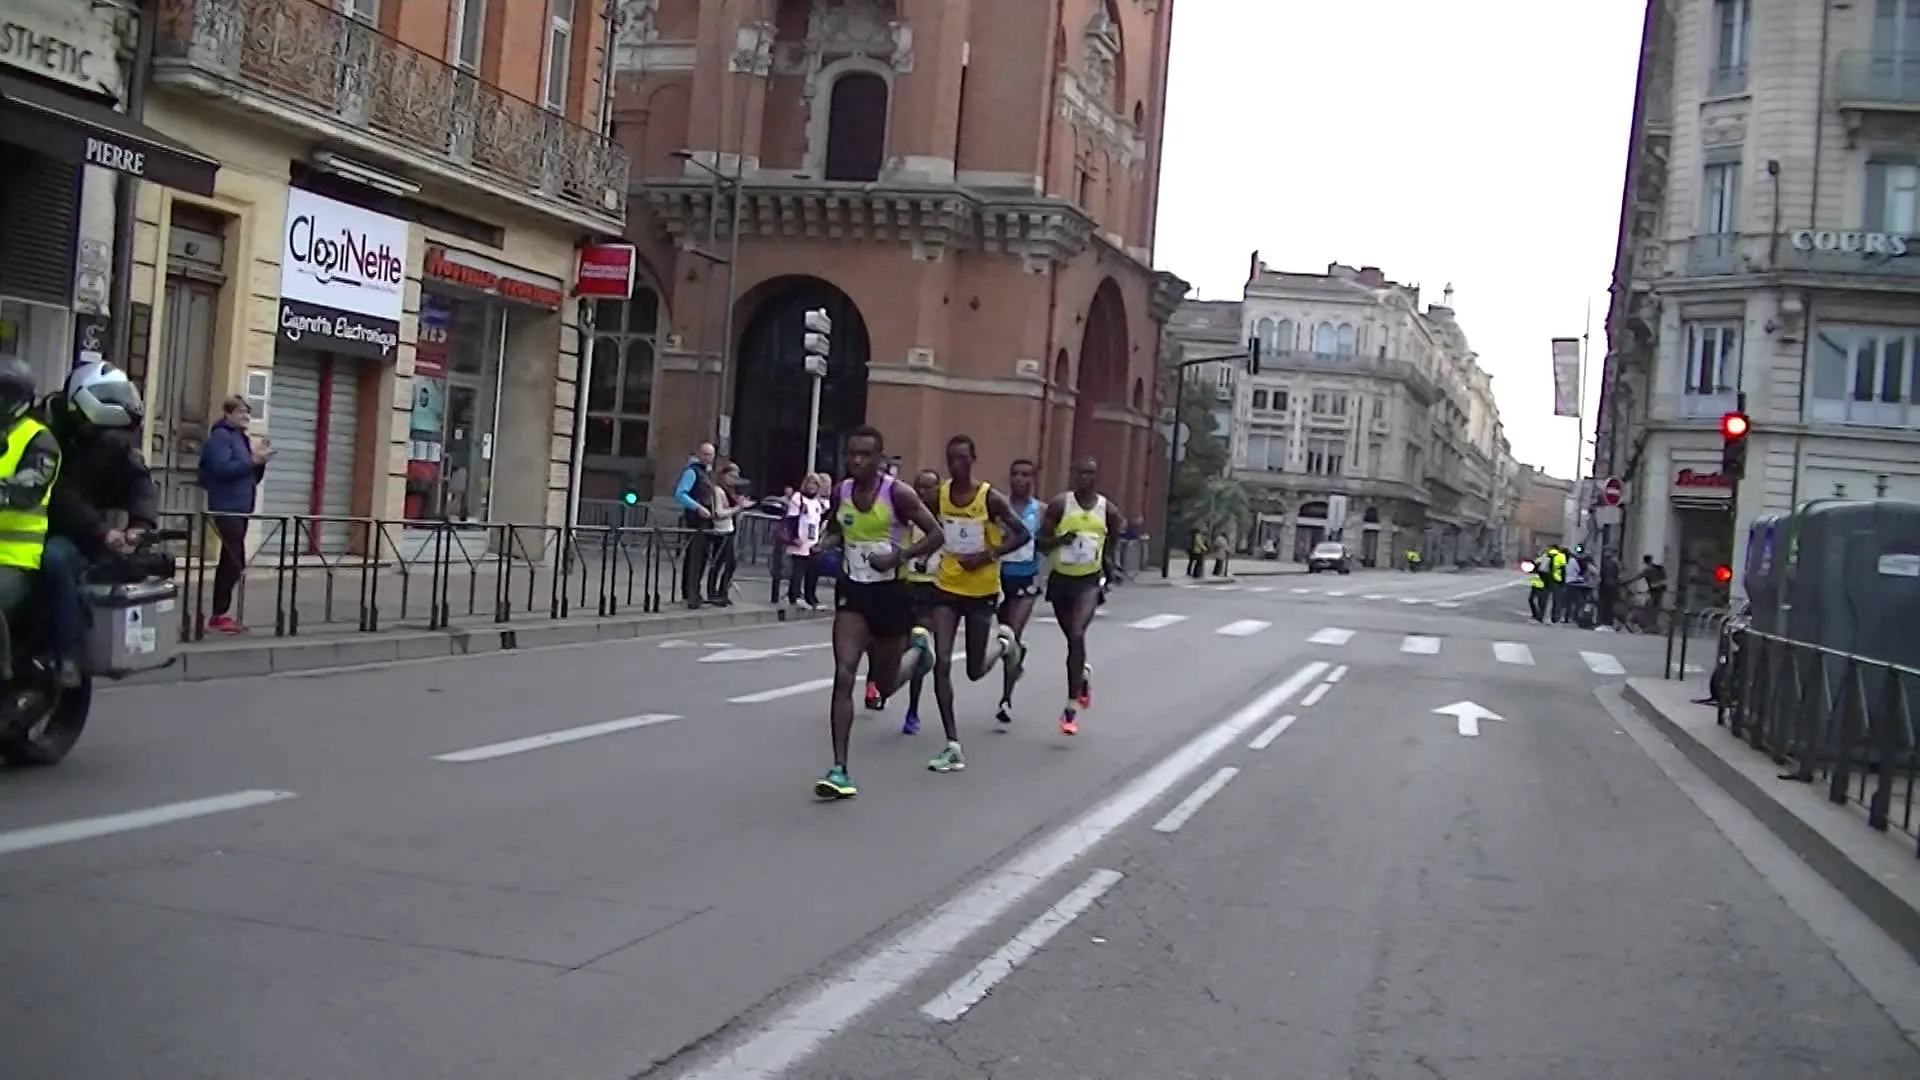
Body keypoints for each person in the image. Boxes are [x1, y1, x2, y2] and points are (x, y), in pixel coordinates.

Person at [813, 425, 944, 798]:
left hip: (890, 595)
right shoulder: (842, 491)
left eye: (865, 455)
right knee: (843, 673)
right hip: (853, 593)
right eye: (852, 453)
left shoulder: (898, 494)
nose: (857, 460)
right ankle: (840, 769)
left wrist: (898, 556)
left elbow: (936, 534)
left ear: (879, 458)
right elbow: (839, 528)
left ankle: (918, 656)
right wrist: (827, 543)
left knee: (884, 684)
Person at [42, 361, 157, 683]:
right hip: (33, 522)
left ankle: (66, 655)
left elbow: (140, 481)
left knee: (56, 560)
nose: (98, 432)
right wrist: (102, 529)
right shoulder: (43, 431)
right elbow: (55, 485)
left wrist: (140, 524)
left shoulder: (110, 437)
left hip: (73, 532)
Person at [923, 435, 1031, 773]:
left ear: (973, 459)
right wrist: (921, 553)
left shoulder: (990, 498)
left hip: (982, 590)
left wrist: (987, 555)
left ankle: (1003, 644)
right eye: (951, 459)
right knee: (941, 661)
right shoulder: (939, 495)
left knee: (973, 670)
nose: (956, 465)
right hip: (946, 586)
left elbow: (1023, 534)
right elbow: (928, 528)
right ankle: (952, 744)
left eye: (962, 459)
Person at [1037, 456, 1121, 736]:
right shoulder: (1061, 505)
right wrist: (1061, 540)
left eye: (1090, 473)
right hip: (1062, 580)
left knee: (1076, 633)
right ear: (1074, 475)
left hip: (1089, 581)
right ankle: (1082, 675)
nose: (1084, 477)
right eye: (1080, 473)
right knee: (1071, 639)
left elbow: (1112, 543)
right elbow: (1042, 542)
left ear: (1096, 477)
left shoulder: (1107, 509)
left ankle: (1071, 706)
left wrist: (1108, 567)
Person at [873, 468, 944, 734]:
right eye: (919, 486)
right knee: (889, 645)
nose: (924, 492)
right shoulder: (906, 514)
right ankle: (880, 683)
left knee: (918, 642)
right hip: (903, 586)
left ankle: (912, 709)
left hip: (934, 591)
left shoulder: (946, 519)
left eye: (929, 487)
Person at [197, 394, 273, 634]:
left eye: (248, 413)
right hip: (226, 506)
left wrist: (260, 462)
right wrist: (252, 460)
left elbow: (249, 474)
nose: (246, 417)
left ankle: (220, 614)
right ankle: (219, 614)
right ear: (228, 413)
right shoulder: (220, 438)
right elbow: (220, 468)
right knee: (233, 559)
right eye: (241, 412)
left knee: (231, 560)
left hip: (240, 506)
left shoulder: (240, 438)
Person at [993, 458, 1046, 725]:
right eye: (1016, 474)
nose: (1020, 479)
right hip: (997, 578)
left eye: (1027, 475)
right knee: (1006, 642)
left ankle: (1006, 698)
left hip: (1026, 579)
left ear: (1034, 479)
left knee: (1012, 633)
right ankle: (1017, 659)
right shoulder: (998, 506)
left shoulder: (1042, 510)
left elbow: (1047, 541)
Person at [672, 442, 717, 608]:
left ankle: (694, 592)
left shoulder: (706, 474)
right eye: (704, 454)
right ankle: (690, 594)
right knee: (694, 558)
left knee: (701, 557)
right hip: (696, 520)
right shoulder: (692, 472)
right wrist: (697, 507)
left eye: (710, 455)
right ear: (699, 454)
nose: (707, 458)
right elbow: (680, 494)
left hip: (706, 522)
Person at [704, 459, 748, 605]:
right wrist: (738, 508)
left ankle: (722, 591)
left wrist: (740, 505)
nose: (733, 480)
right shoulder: (718, 490)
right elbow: (719, 512)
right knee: (719, 563)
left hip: (728, 529)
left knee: (729, 563)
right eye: (731, 476)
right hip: (720, 530)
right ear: (724, 475)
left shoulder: (730, 491)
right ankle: (713, 592)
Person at [783, 474, 828, 609]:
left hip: (813, 540)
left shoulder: (818, 502)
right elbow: (791, 519)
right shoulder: (798, 498)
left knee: (813, 571)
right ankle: (795, 596)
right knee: (798, 569)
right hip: (800, 539)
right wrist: (793, 537)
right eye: (810, 483)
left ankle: (811, 597)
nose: (812, 486)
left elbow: (821, 519)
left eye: (815, 484)